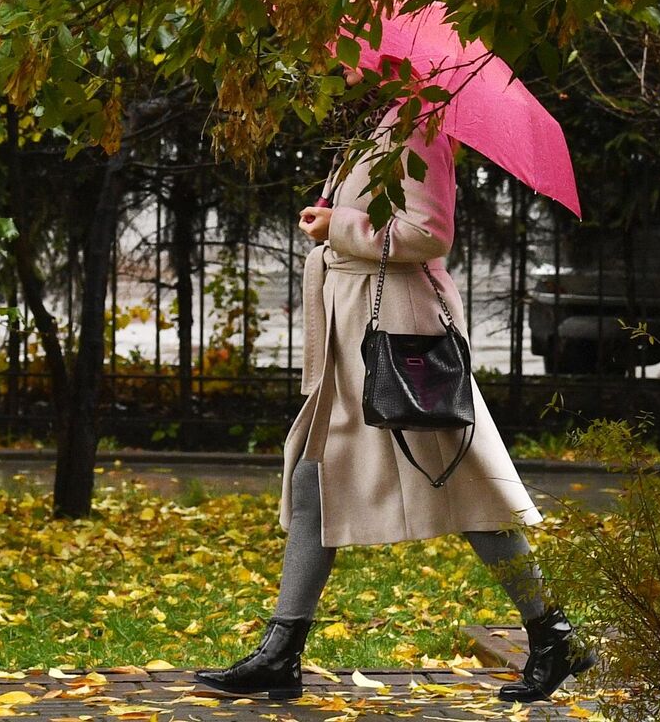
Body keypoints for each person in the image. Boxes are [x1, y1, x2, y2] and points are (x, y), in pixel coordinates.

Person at [192, 88, 593, 703]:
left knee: (471, 490)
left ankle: (551, 631)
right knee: (313, 479)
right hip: (355, 338)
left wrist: (340, 227)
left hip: (400, 341)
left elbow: (429, 234)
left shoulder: (418, 130)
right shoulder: (372, 130)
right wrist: (331, 219)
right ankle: (282, 650)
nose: (341, 72)